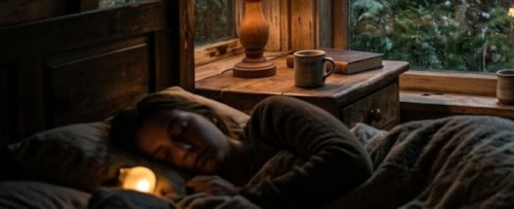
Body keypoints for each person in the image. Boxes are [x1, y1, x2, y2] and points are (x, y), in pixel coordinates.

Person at [110, 92, 373, 208]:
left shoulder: (270, 119)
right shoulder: (203, 197)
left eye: (181, 130)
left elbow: (350, 160)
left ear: (204, 114)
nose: (184, 150)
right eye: (165, 155)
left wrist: (244, 195)